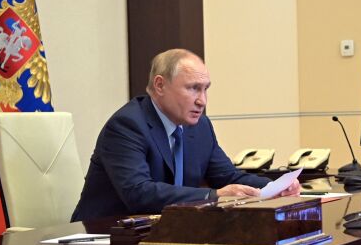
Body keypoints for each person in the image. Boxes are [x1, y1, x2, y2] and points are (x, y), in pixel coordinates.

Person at [72, 49, 300, 221]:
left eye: (205, 89)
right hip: (104, 239)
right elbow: (138, 193)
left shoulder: (200, 127)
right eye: (193, 88)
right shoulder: (127, 125)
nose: (202, 100)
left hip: (167, 234)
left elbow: (229, 177)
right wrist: (214, 195)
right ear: (160, 85)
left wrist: (275, 186)